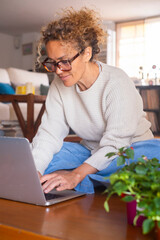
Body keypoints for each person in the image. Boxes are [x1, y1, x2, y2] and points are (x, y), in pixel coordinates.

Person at [32, 7, 160, 194]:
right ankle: (100, 180)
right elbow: (49, 135)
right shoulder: (58, 86)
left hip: (130, 150)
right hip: (89, 152)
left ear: (87, 53)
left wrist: (76, 174)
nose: (58, 70)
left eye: (65, 61)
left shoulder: (116, 82)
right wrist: (35, 170)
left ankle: (82, 179)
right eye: (52, 62)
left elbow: (116, 143)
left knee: (154, 154)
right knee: (37, 156)